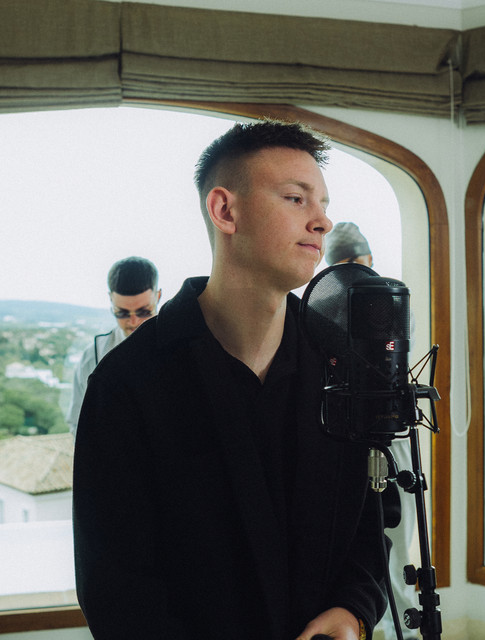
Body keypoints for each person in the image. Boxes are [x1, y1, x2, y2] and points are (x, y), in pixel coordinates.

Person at [73, 121, 390, 640]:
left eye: (323, 203)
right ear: (225, 210)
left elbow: (371, 526)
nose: (323, 221)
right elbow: (116, 585)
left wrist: (353, 611)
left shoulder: (343, 366)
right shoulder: (126, 384)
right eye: (296, 198)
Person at [325, 222, 420, 640]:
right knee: (359, 550)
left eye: (362, 264)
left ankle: (404, 631)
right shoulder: (322, 314)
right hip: (343, 441)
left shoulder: (392, 309)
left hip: (391, 443)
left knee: (397, 548)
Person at [67, 256, 161, 437]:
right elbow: (78, 424)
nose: (134, 321)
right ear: (111, 300)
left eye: (144, 312)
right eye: (122, 313)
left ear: (157, 297)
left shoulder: (178, 347)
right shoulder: (93, 357)